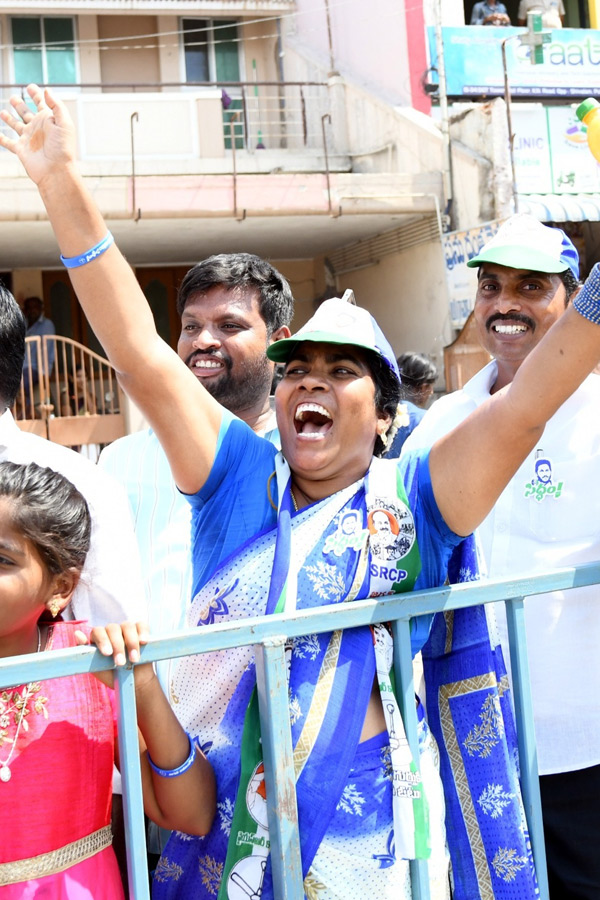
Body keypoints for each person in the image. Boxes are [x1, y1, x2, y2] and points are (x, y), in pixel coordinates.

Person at [4, 85, 600, 899]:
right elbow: (141, 353)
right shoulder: (239, 485)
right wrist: (61, 187)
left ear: (387, 416)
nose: (307, 385)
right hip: (223, 835)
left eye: (341, 371)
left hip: (371, 844)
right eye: (296, 371)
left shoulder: (418, 502)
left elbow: (532, 402)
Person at [402, 214, 600, 899]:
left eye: (530, 286)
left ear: (572, 301)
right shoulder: (440, 424)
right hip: (472, 753)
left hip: (585, 750)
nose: (505, 304)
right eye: (490, 286)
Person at [0, 459, 216, 897]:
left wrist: (144, 686)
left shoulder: (91, 666)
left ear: (61, 588)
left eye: (2, 559)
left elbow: (190, 814)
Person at [99, 253, 293, 694]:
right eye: (190, 326)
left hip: (267, 729)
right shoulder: (120, 460)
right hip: (143, 730)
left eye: (230, 326)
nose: (203, 341)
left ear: (278, 343)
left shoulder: (303, 462)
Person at [21, 295, 56, 417]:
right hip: (22, 369)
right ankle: (28, 412)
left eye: (35, 307)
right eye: (29, 308)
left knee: (18, 383)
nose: (32, 310)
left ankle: (27, 413)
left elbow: (46, 350)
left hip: (36, 368)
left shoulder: (47, 324)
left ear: (41, 308)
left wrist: (44, 374)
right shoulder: (23, 325)